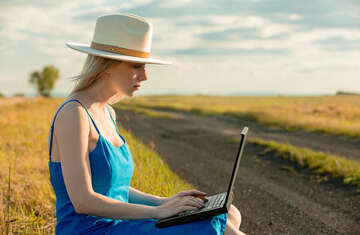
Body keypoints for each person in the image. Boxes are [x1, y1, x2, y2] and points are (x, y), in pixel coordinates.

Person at [48, 13, 246, 235]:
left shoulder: (108, 113)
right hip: (91, 230)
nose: (144, 76)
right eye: (136, 66)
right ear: (107, 65)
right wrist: (157, 212)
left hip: (119, 225)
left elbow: (116, 189)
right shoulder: (74, 114)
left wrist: (164, 202)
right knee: (211, 226)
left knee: (229, 214)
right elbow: (83, 201)